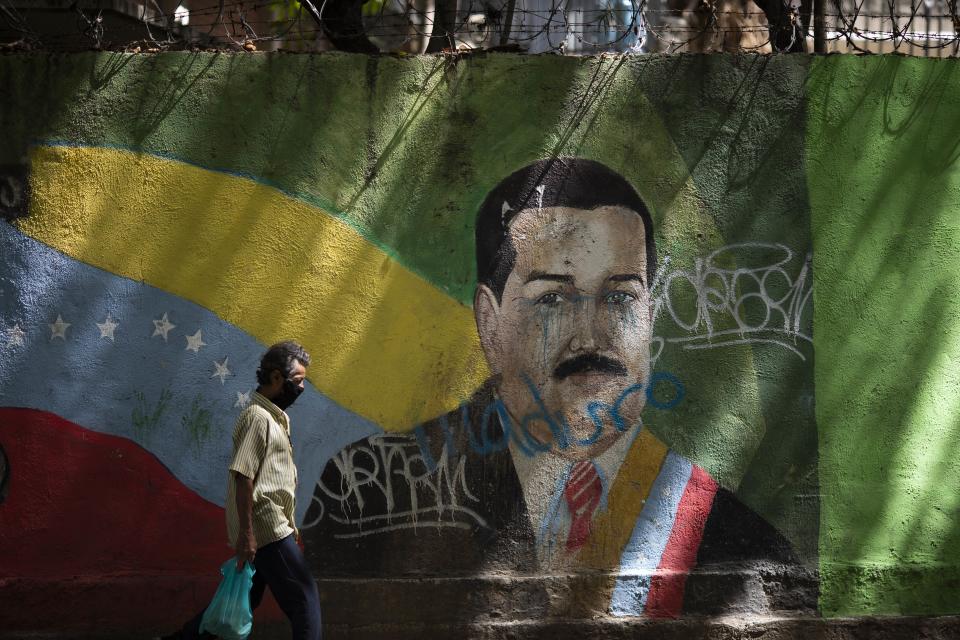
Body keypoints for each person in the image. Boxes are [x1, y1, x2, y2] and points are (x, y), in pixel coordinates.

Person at [302, 159, 815, 618]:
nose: (590, 335)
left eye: (619, 298)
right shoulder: (367, 496)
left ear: (651, 318)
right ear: (490, 323)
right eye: (552, 300)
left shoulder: (736, 541)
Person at [163, 341, 322, 640]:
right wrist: (247, 534)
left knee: (244, 598)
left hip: (268, 526)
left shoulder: (273, 418)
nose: (301, 389)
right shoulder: (257, 418)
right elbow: (243, 475)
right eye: (298, 381)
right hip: (266, 526)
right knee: (305, 599)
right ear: (276, 378)